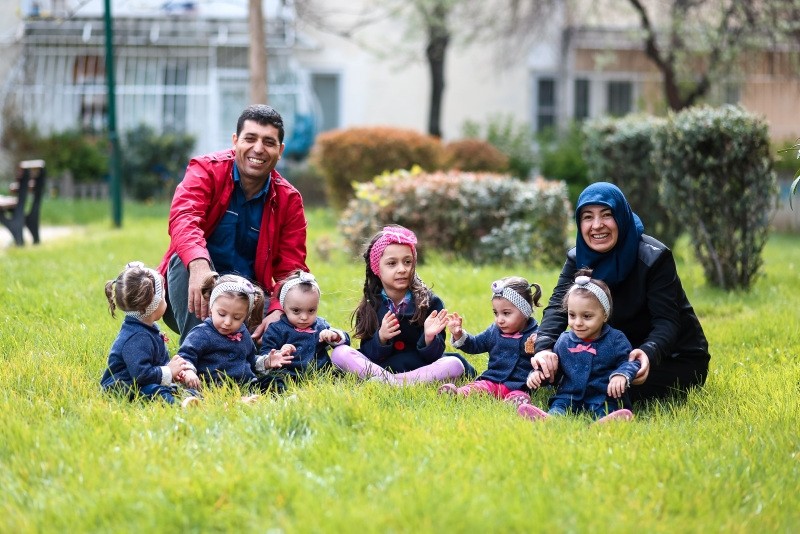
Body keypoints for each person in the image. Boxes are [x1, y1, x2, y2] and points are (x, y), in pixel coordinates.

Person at [531, 182, 710, 402]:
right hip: (610, 353)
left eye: (607, 215)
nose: (597, 225)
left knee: (606, 384)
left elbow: (667, 322)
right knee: (539, 365)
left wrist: (648, 352)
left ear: (621, 216)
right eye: (587, 217)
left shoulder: (654, 257)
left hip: (669, 356)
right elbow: (558, 308)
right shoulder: (578, 258)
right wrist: (544, 348)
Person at [157, 104, 308, 344]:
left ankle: (242, 350)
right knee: (182, 261)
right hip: (195, 292)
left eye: (269, 142)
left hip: (247, 302)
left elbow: (291, 267)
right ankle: (199, 349)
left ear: (280, 150)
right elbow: (184, 218)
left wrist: (279, 309)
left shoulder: (289, 199)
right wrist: (199, 265)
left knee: (299, 320)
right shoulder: (205, 170)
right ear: (236, 141)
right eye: (250, 138)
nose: (258, 149)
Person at [330, 225, 476, 384]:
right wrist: (381, 338)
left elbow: (433, 356)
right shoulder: (370, 306)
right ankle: (391, 381)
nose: (402, 269)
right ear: (376, 268)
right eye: (392, 263)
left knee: (454, 364)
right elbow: (368, 353)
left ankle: (390, 383)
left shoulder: (430, 303)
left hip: (421, 367)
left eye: (407, 262)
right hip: (381, 367)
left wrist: (429, 337)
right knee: (340, 353)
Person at [518, 270, 640, 422]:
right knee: (560, 406)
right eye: (572, 315)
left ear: (605, 315)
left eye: (587, 316)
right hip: (568, 396)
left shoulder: (615, 339)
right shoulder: (564, 341)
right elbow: (555, 371)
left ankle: (606, 422)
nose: (578, 323)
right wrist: (539, 375)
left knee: (606, 408)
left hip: (602, 396)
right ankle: (551, 420)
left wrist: (621, 375)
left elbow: (630, 362)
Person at [100, 261, 200, 407]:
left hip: (143, 379)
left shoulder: (147, 328)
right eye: (163, 297)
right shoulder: (136, 338)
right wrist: (168, 371)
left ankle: (189, 397)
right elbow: (141, 375)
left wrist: (174, 370)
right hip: (124, 385)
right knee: (154, 391)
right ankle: (177, 405)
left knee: (169, 387)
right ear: (153, 306)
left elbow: (155, 362)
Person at [175, 273, 289, 396]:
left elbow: (250, 360)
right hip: (212, 385)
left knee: (273, 382)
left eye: (237, 317)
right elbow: (185, 356)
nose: (228, 322)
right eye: (222, 314)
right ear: (211, 307)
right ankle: (194, 400)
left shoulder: (243, 333)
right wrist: (189, 372)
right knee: (193, 393)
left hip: (245, 384)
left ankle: (257, 397)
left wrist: (266, 362)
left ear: (246, 316)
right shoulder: (201, 333)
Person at [438, 276, 541, 407]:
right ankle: (458, 393)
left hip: (518, 385)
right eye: (496, 313)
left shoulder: (535, 336)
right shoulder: (494, 332)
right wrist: (459, 335)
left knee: (519, 395)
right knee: (479, 387)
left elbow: (543, 361)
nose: (500, 320)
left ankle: (515, 402)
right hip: (492, 380)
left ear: (525, 311)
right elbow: (475, 344)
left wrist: (537, 373)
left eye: (506, 313)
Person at [256, 270, 350, 390]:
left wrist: (334, 336)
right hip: (288, 374)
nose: (304, 317)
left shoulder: (320, 325)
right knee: (272, 382)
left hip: (319, 372)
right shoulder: (276, 329)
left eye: (311, 310)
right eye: (296, 311)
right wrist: (279, 353)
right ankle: (281, 390)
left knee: (340, 374)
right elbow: (266, 353)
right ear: (283, 306)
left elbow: (345, 341)